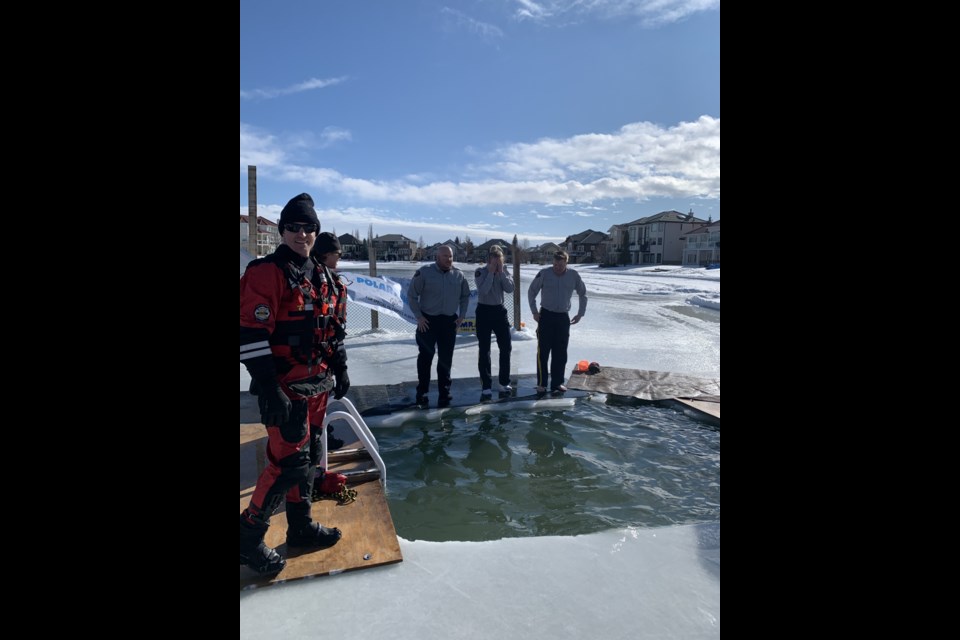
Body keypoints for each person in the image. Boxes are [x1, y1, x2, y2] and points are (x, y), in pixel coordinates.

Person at [238, 194, 347, 575]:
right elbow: (250, 334)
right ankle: (248, 538)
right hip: (283, 389)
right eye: (294, 227)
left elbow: (333, 329)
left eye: (309, 228)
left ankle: (300, 527)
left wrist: (341, 366)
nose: (302, 234)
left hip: (317, 386)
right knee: (286, 464)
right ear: (282, 230)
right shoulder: (266, 273)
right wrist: (269, 388)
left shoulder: (323, 275)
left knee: (309, 459)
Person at [407, 244, 470, 407]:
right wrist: (419, 317)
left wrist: (462, 315)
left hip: (449, 322)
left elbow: (465, 297)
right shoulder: (425, 272)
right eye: (445, 256)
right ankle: (423, 392)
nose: (449, 260)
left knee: (445, 359)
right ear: (437, 257)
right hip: (428, 322)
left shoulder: (459, 275)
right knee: (425, 358)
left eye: (450, 257)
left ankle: (445, 392)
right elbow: (412, 295)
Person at [309, 232, 350, 457]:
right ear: (326, 254)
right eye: (338, 254)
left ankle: (324, 434)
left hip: (327, 355)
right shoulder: (309, 279)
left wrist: (341, 366)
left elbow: (336, 328)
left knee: (321, 402)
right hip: (307, 359)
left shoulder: (333, 283)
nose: (340, 259)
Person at [527, 249, 587, 393]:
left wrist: (580, 314)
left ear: (566, 263)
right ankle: (542, 383)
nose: (557, 268)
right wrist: (534, 311)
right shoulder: (544, 274)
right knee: (543, 351)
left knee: (560, 352)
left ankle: (557, 383)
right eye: (555, 265)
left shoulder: (573, 275)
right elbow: (531, 291)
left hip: (562, 317)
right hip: (546, 316)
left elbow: (582, 294)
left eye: (560, 265)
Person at [474, 246, 514, 395]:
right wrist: (491, 273)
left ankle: (504, 382)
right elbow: (483, 290)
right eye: (494, 262)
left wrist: (501, 273)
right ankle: (486, 385)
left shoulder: (504, 271)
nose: (497, 264)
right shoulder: (480, 272)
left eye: (499, 262)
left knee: (506, 347)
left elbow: (510, 289)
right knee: (484, 350)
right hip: (484, 311)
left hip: (499, 311)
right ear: (488, 261)